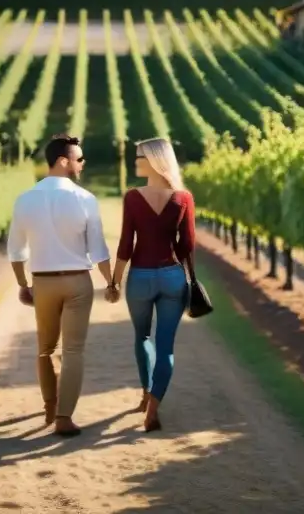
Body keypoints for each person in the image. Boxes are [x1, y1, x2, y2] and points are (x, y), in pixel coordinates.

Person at [6, 134, 118, 437]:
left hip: (42, 282)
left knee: (45, 349)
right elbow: (98, 250)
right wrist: (110, 282)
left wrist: (22, 285)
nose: (82, 164)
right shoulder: (85, 199)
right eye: (79, 159)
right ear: (63, 161)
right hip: (78, 282)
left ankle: (49, 407)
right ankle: (65, 418)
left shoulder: (25, 199)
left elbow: (16, 250)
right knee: (73, 351)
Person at [110, 137, 196, 432]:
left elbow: (125, 244)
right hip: (172, 277)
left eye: (140, 157)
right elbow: (186, 246)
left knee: (142, 337)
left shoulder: (133, 198)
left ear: (154, 160)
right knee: (166, 348)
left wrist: (114, 281)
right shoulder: (183, 197)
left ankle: (146, 393)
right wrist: (192, 279)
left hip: (141, 277)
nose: (136, 162)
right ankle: (154, 408)